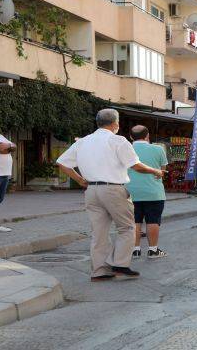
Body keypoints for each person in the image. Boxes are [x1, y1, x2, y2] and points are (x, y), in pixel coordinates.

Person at [56, 109, 165, 282]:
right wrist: (155, 171)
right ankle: (120, 265)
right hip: (113, 189)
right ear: (115, 123)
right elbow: (135, 165)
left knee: (99, 232)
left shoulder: (83, 141)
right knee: (127, 227)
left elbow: (62, 162)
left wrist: (79, 180)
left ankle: (99, 270)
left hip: (91, 190)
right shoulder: (117, 140)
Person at [126, 125, 168, 259]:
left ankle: (135, 250)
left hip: (129, 192)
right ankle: (153, 250)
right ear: (147, 136)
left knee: (134, 221)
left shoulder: (125, 150)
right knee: (153, 221)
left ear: (131, 137)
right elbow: (162, 171)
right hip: (153, 192)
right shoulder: (158, 149)